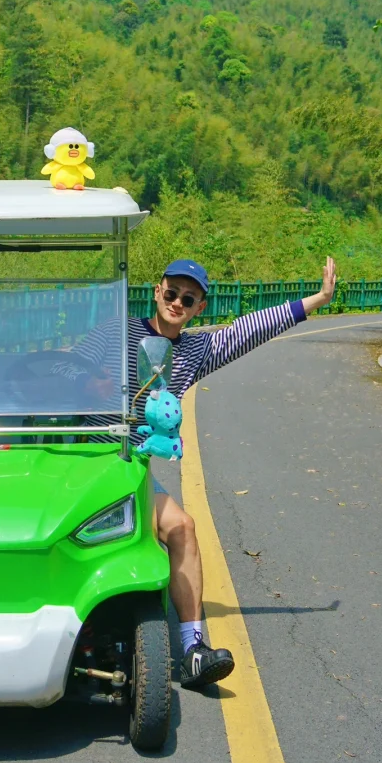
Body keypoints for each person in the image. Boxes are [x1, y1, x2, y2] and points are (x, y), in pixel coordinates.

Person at [125, 257, 337, 690]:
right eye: (171, 293)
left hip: (133, 469)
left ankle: (193, 649)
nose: (177, 303)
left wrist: (316, 300)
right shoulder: (119, 332)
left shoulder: (193, 350)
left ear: (199, 307)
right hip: (89, 459)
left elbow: (247, 330)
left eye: (188, 298)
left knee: (182, 526)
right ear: (156, 291)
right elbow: (67, 364)